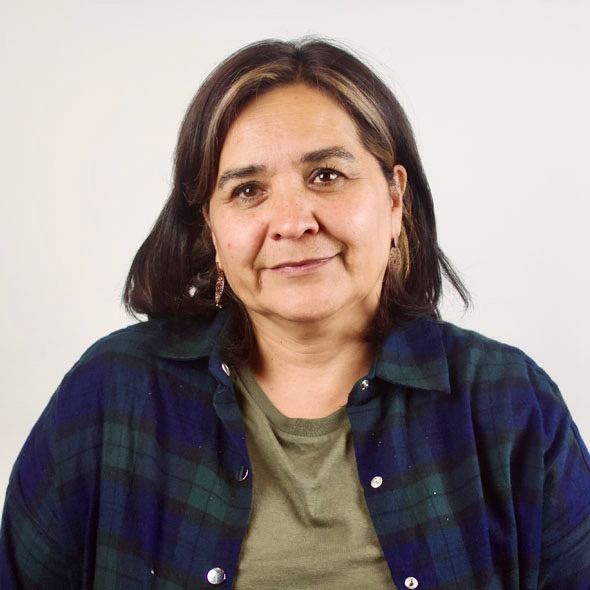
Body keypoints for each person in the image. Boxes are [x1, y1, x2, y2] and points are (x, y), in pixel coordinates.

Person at [1, 37, 589, 590]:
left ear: (394, 198)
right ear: (211, 227)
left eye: (326, 176)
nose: (292, 221)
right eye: (247, 190)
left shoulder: (511, 406)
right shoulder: (111, 397)